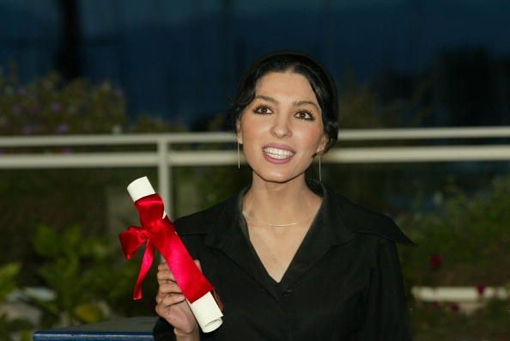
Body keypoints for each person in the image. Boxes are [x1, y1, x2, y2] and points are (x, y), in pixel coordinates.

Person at [153, 50, 415, 341]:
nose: (281, 129)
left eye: (302, 114)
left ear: (323, 140)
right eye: (264, 109)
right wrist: (187, 334)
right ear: (239, 127)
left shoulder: (370, 241)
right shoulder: (190, 242)